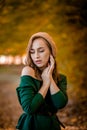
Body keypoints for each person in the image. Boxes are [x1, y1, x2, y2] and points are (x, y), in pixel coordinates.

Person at [16, 32, 68, 130]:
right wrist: (45, 84)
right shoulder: (28, 72)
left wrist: (50, 78)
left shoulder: (61, 78)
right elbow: (29, 108)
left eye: (41, 51)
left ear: (51, 52)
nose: (36, 56)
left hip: (52, 126)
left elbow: (60, 104)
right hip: (32, 125)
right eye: (32, 51)